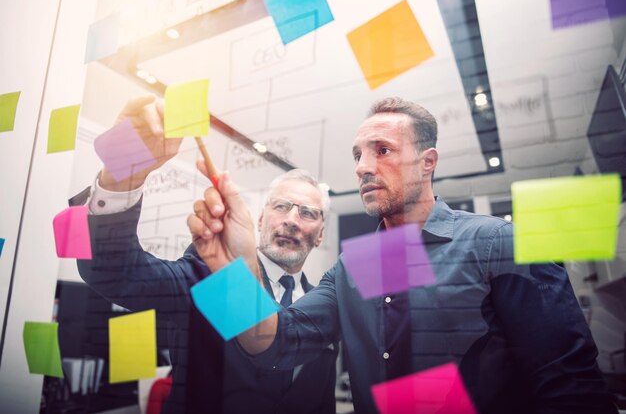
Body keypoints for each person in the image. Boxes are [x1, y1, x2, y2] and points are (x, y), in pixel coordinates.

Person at [189, 97, 618, 414]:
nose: (361, 166)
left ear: (426, 162)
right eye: (358, 154)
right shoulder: (357, 267)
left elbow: (570, 388)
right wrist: (233, 268)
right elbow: (273, 343)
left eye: (382, 150)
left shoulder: (497, 244)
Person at [75, 95, 337, 414]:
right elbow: (117, 273)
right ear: (260, 218)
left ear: (321, 233)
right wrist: (120, 176)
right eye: (281, 206)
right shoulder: (214, 273)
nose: (292, 220)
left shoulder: (324, 304)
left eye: (308, 213)